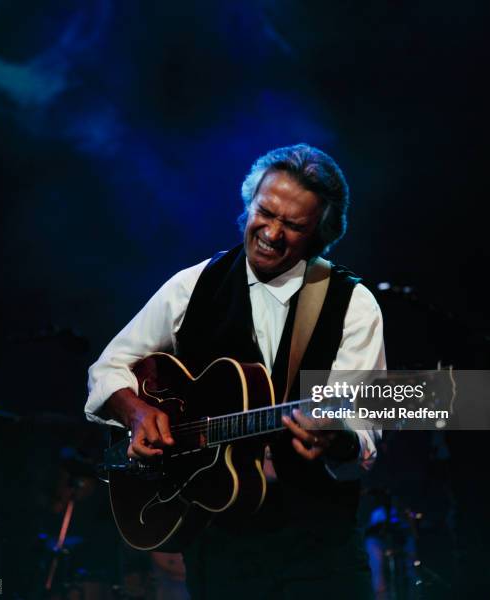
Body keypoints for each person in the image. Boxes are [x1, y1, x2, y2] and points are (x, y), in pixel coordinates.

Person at [86, 143, 386, 599]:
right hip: (217, 542)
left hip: (318, 548)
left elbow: (362, 427)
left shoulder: (351, 303)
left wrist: (338, 438)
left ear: (320, 235)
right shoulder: (193, 286)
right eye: (265, 212)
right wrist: (136, 413)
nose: (272, 232)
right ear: (249, 204)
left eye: (294, 225)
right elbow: (108, 368)